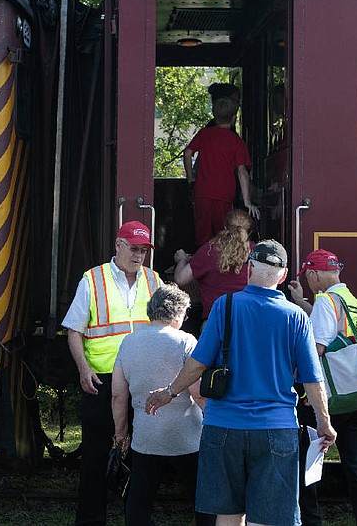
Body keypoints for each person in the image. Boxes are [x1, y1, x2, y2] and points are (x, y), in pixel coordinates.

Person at [145, 240, 336, 526]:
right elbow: (312, 377)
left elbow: (198, 363)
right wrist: (324, 421)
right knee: (269, 518)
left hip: (224, 426)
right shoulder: (296, 316)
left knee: (228, 514)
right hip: (276, 427)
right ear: (282, 276)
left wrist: (169, 392)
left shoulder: (226, 306)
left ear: (248, 269)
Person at [61, 220, 162, 525]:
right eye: (134, 248)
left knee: (143, 456)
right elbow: (74, 330)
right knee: (94, 456)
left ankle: (136, 517)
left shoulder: (154, 280)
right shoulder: (92, 280)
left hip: (142, 381)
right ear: (118, 245)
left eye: (144, 250)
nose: (139, 255)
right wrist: (83, 369)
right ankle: (91, 520)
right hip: (101, 381)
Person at [288, 249, 357, 526]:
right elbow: (339, 333)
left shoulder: (325, 301)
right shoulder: (351, 300)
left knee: (310, 466)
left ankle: (311, 521)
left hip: (333, 398)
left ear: (315, 274)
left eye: (308, 277)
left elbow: (317, 349)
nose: (308, 282)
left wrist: (290, 377)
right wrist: (302, 303)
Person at [111, 283, 214, 526]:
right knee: (203, 499)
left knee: (139, 500)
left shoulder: (129, 342)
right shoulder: (186, 341)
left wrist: (120, 434)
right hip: (187, 437)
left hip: (146, 438)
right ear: (177, 312)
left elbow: (118, 394)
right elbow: (198, 394)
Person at [184, 97, 259, 247]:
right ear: (234, 118)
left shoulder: (204, 134)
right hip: (224, 194)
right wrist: (247, 201)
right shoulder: (236, 141)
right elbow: (242, 171)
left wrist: (190, 177)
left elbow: (187, 153)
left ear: (214, 115)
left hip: (202, 192)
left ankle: (200, 265)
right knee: (223, 233)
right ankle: (220, 266)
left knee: (202, 233)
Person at [173, 209, 254, 322]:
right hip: (248, 322)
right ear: (249, 232)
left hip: (215, 323)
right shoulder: (256, 253)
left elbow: (180, 279)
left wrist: (182, 259)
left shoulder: (210, 249)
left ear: (225, 227)